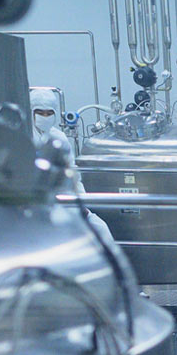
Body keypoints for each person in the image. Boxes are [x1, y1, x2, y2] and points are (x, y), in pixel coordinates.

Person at [30, 88, 114, 242]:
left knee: (100, 228)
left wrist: (81, 204)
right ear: (31, 113)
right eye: (40, 113)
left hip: (64, 200)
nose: (45, 117)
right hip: (37, 205)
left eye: (49, 113)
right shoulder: (26, 137)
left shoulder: (59, 137)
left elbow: (74, 175)